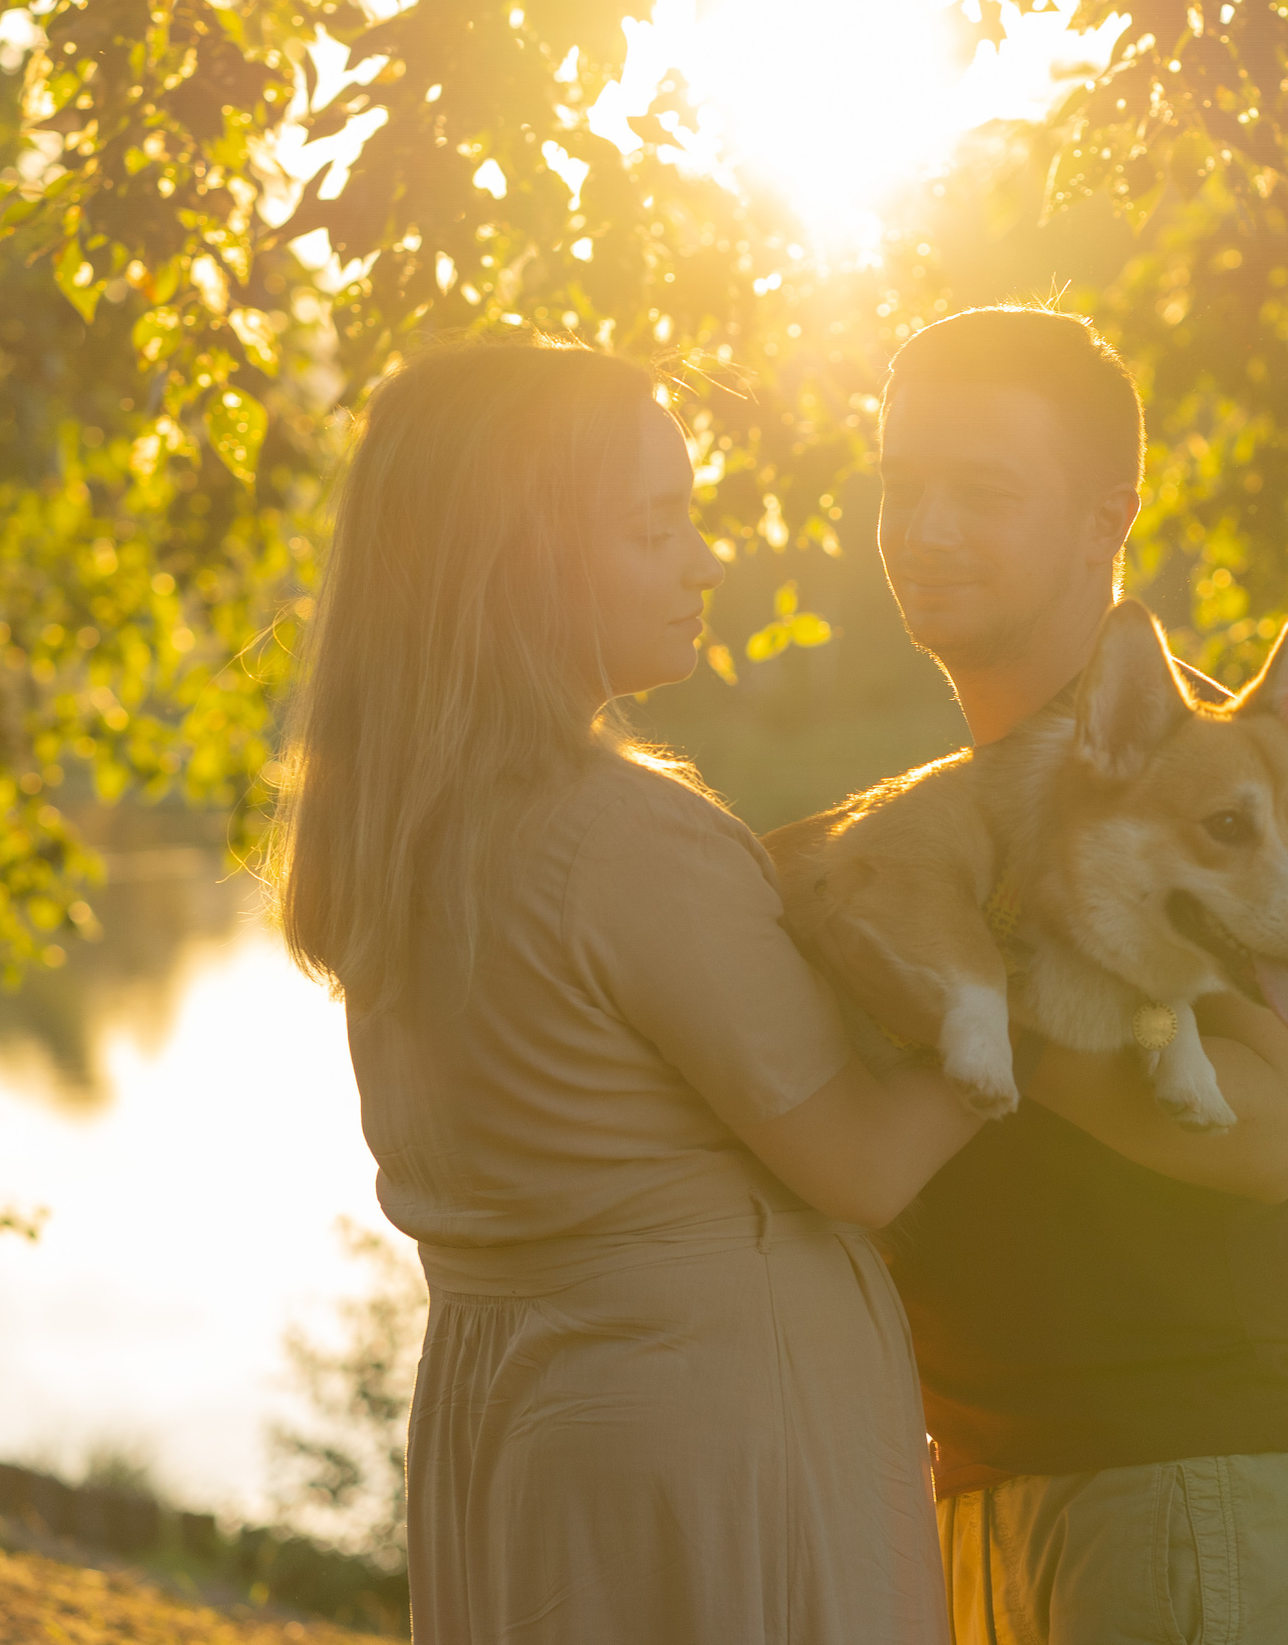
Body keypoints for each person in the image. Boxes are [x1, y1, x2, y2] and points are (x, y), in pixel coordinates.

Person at [265, 336, 982, 1645]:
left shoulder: (402, 831)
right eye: (656, 528)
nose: (705, 560)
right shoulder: (622, 837)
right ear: (519, 560)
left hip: (522, 1416)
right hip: (700, 1450)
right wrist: (1037, 993)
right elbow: (865, 1164)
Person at [871, 307, 1288, 1644]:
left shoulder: (1217, 778)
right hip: (993, 1489)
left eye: (981, 492)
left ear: (1108, 519)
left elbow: (1264, 1135)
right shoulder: (958, 804)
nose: (924, 532)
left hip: (1180, 1479)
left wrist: (931, 981)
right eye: (900, 488)